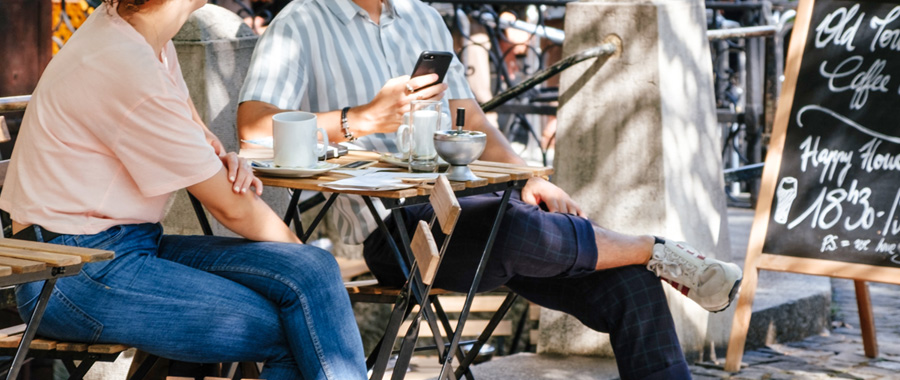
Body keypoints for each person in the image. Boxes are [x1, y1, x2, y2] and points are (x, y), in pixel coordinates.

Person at [237, 0, 743, 378]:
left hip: (469, 215)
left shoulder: (420, 16)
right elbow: (253, 129)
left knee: (629, 283)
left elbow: (471, 117)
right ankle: (651, 248)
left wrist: (529, 177)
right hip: (390, 231)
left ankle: (646, 260)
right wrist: (364, 118)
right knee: (514, 226)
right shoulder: (299, 21)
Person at [0, 1, 367, 379]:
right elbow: (232, 209)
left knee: (315, 266)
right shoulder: (125, 62)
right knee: (294, 328)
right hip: (70, 274)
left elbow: (201, 143)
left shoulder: (149, 41)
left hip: (127, 246)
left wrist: (225, 160)